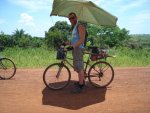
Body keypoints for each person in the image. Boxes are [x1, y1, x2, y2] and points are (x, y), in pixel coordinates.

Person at [65, 12, 86, 93]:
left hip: (78, 49)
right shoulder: (74, 28)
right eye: (69, 18)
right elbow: (74, 40)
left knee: (79, 67)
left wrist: (73, 46)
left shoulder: (80, 26)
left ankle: (81, 85)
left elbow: (81, 40)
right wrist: (66, 43)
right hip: (75, 49)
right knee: (77, 66)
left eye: (73, 18)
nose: (71, 20)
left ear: (76, 17)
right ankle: (81, 81)